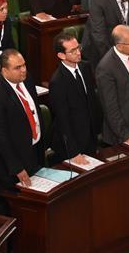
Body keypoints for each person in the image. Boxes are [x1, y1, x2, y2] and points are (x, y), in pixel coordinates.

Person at [0, 49, 45, 189]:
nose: (23, 70)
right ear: (4, 70)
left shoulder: (27, 79)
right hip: (11, 163)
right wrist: (16, 167)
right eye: (17, 68)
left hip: (33, 150)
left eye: (24, 65)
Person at [48, 32, 100, 162]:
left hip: (90, 136)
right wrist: (73, 152)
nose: (78, 53)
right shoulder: (57, 81)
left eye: (78, 48)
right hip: (73, 144)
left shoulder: (85, 67)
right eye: (73, 51)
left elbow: (92, 101)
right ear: (61, 55)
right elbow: (62, 119)